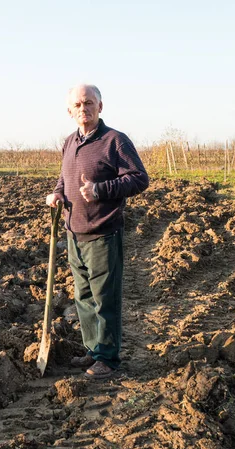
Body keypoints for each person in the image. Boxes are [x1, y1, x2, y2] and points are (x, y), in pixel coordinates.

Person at [46, 84, 149, 379]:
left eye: (89, 103)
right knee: (84, 297)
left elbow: (139, 179)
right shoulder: (68, 142)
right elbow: (63, 180)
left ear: (100, 107)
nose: (83, 109)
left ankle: (108, 359)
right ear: (70, 112)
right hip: (73, 232)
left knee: (105, 298)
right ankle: (93, 350)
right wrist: (56, 194)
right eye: (77, 105)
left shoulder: (115, 141)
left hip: (103, 232)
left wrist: (100, 190)